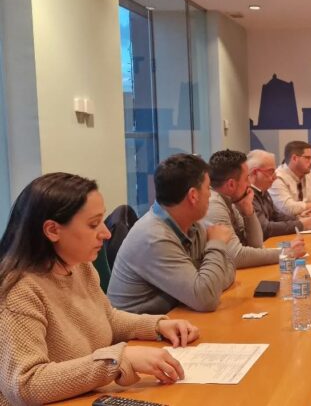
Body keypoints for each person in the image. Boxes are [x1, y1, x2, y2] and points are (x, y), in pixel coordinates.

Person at [0, 173, 199, 405]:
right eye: (93, 224)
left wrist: (156, 326)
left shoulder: (79, 266)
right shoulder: (17, 291)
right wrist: (117, 361)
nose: (106, 233)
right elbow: (26, 384)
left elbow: (106, 318)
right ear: (52, 230)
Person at [108, 154, 235, 314]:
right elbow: (206, 299)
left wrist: (207, 284)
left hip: (174, 318)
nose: (210, 194)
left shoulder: (193, 226)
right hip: (140, 328)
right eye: (207, 188)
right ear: (193, 196)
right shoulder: (154, 237)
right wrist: (216, 244)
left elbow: (229, 270)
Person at [205, 150, 305, 266]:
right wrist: (286, 253)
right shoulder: (214, 205)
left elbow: (256, 245)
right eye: (246, 178)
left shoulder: (231, 201)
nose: (249, 184)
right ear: (231, 184)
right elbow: (237, 256)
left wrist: (248, 210)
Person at [248, 149, 311, 239]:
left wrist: (298, 219)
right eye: (270, 172)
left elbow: (276, 216)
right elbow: (265, 229)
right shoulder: (248, 196)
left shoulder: (263, 191)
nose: (275, 177)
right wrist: (300, 224)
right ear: (255, 172)